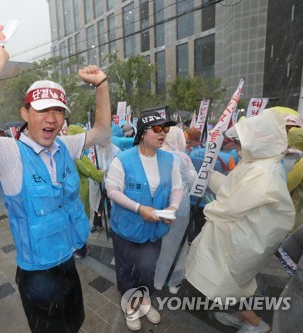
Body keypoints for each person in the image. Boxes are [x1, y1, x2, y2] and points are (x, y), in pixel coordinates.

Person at [0, 26, 111, 333]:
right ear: (24, 113)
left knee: (75, 324)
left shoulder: (65, 145)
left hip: (68, 263)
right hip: (37, 276)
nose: (50, 118)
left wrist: (101, 85)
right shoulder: (10, 153)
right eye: (41, 110)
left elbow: (102, 132)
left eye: (58, 111)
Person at [185, 109, 295, 333]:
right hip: (238, 236)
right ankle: (238, 315)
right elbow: (232, 189)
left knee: (231, 283)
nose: (236, 146)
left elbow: (231, 205)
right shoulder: (257, 162)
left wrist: (209, 206)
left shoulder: (264, 171)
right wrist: (210, 176)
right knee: (232, 283)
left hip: (242, 240)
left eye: (240, 141)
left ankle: (256, 324)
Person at [105, 112, 183, 331]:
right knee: (126, 269)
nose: (163, 134)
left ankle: (145, 301)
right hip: (127, 229)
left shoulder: (169, 160)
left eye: (165, 129)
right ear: (142, 132)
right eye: (157, 129)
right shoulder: (123, 159)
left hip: (154, 229)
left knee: (148, 268)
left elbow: (177, 188)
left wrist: (172, 208)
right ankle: (130, 305)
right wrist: (139, 208)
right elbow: (112, 190)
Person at [154, 126, 197, 294]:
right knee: (178, 245)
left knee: (159, 245)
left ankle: (157, 280)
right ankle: (174, 280)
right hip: (179, 209)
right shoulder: (182, 158)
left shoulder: (154, 155)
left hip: (157, 208)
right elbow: (191, 181)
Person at [66, 125, 105, 259]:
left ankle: (73, 248)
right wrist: (101, 172)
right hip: (79, 193)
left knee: (71, 222)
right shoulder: (80, 154)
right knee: (80, 222)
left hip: (67, 195)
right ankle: (80, 250)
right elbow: (94, 174)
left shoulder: (63, 151)